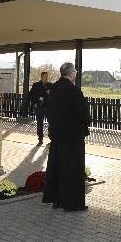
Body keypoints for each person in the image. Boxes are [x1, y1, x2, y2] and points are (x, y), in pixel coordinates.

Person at [41, 63, 91, 211]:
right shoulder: (73, 90)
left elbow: (48, 110)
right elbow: (83, 114)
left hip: (57, 136)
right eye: (75, 71)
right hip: (72, 137)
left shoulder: (53, 89)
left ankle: (57, 200)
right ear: (72, 73)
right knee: (72, 170)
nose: (76, 74)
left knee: (57, 168)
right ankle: (72, 203)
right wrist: (86, 121)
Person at [28, 71, 53, 146]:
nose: (46, 78)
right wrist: (34, 103)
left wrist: (50, 93)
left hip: (48, 107)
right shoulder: (36, 85)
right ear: (41, 77)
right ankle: (40, 139)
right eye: (45, 76)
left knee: (51, 123)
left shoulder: (50, 85)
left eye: (47, 76)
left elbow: (54, 95)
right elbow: (30, 95)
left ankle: (51, 139)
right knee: (39, 124)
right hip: (39, 107)